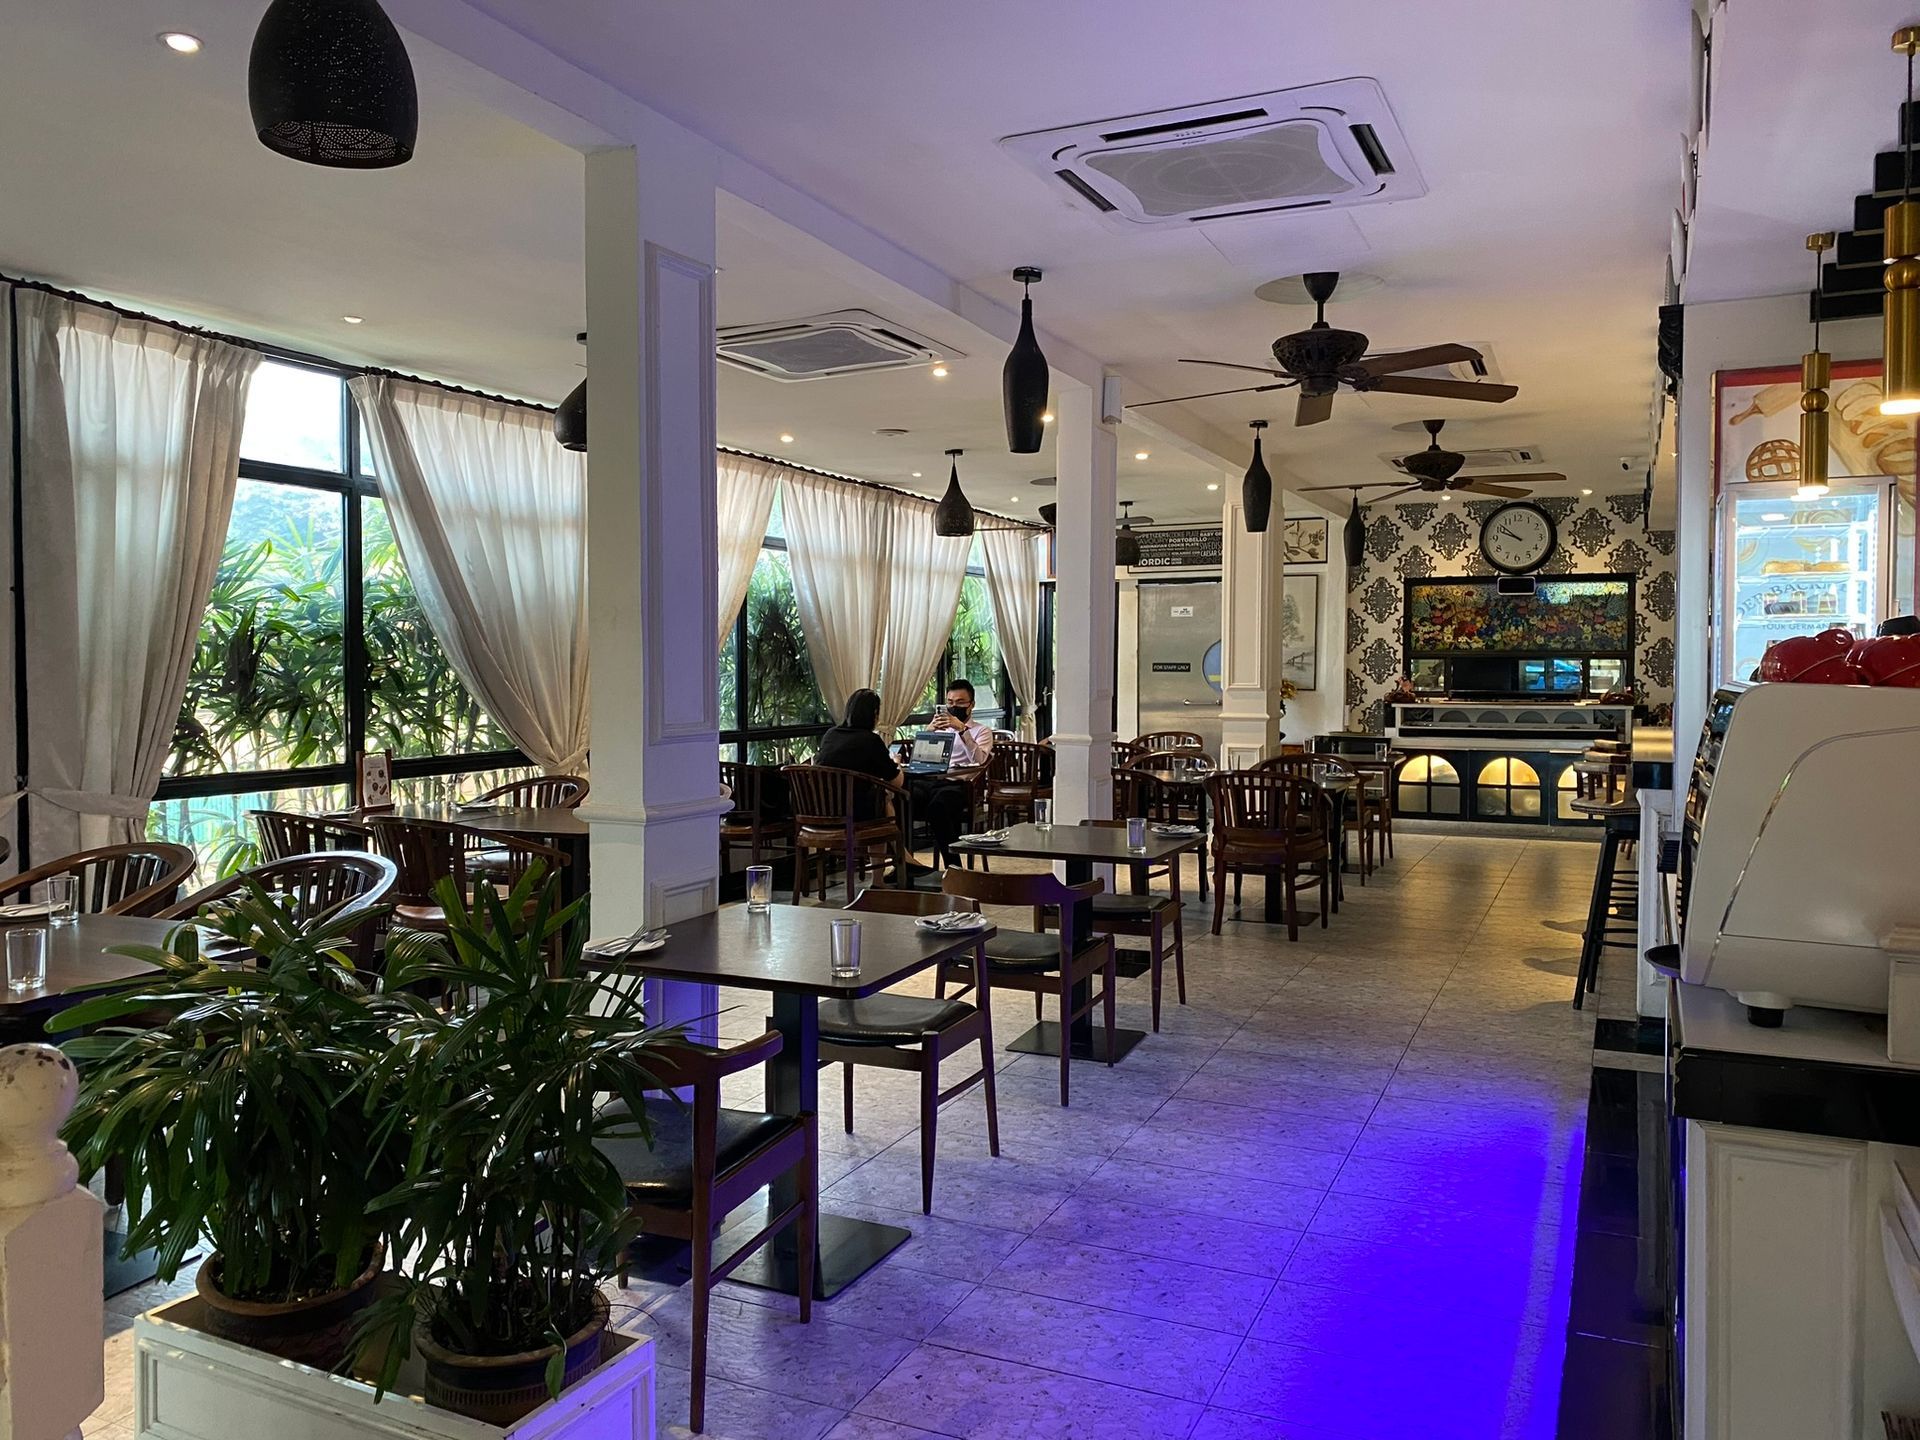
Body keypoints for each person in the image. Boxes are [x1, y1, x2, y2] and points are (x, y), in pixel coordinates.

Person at [911, 679, 995, 866]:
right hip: (931, 781)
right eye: (950, 702)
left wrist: (962, 730)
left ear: (971, 705)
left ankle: (953, 866)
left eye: (959, 702)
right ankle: (906, 863)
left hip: (960, 785)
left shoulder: (982, 731)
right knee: (900, 799)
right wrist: (929, 732)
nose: (953, 706)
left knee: (938, 807)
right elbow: (919, 758)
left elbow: (980, 760)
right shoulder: (941, 727)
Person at [814, 688, 902, 820]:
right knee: (886, 798)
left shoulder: (830, 734)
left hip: (823, 809)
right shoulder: (871, 740)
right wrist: (897, 763)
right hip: (856, 813)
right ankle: (887, 838)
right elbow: (896, 783)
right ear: (875, 714)